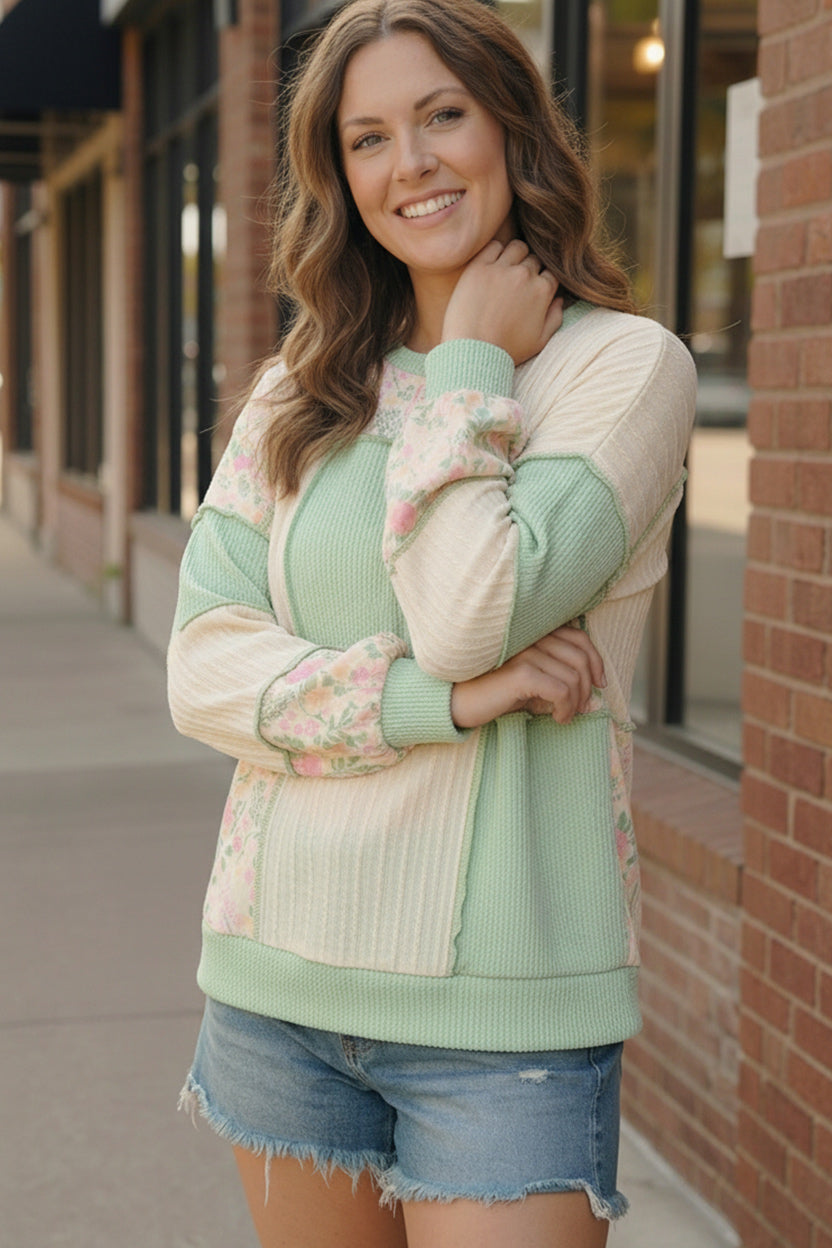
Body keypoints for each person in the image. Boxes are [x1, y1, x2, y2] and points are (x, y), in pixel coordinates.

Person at [168, 1, 697, 1245]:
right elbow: (202, 668)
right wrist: (438, 704)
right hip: (277, 985)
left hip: (502, 1017)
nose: (408, 163)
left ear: (511, 127)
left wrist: (468, 365)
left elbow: (472, 610)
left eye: (441, 116)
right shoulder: (297, 393)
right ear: (340, 177)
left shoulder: (623, 370)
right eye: (367, 139)